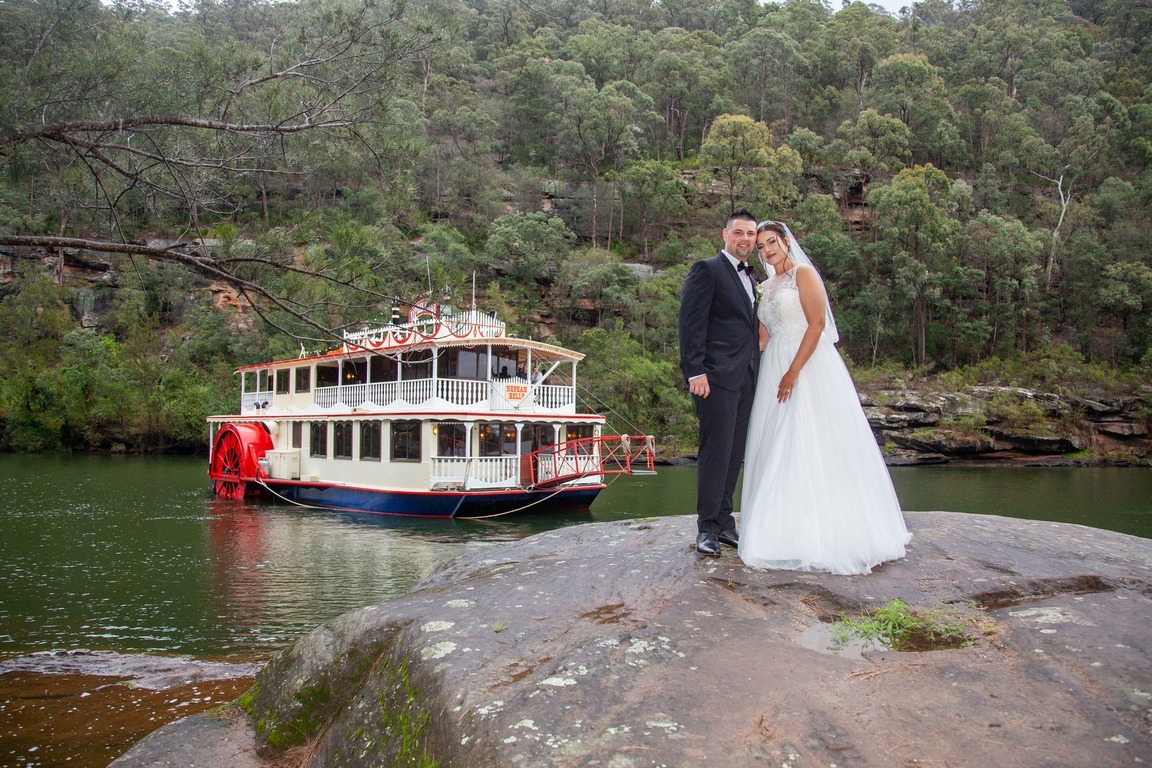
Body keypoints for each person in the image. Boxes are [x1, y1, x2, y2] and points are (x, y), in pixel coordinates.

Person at [739, 220, 911, 575]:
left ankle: (827, 533)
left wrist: (793, 372)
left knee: (810, 439)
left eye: (772, 242)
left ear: (786, 241)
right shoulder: (764, 287)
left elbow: (817, 324)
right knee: (777, 444)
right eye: (761, 246)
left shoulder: (803, 274)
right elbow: (763, 338)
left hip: (808, 365)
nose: (767, 250)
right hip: (774, 366)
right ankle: (784, 530)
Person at [679, 210, 762, 556]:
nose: (745, 239)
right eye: (738, 232)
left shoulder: (752, 278)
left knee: (734, 453)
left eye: (751, 234)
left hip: (747, 377)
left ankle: (725, 523)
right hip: (714, 378)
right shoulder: (707, 269)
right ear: (725, 234)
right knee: (715, 452)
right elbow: (690, 323)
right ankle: (707, 528)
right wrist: (695, 371)